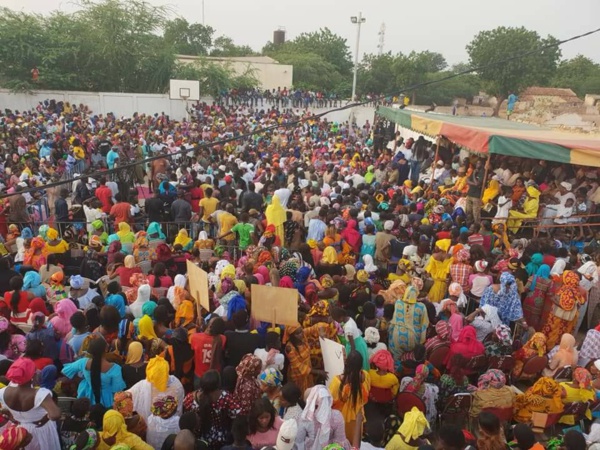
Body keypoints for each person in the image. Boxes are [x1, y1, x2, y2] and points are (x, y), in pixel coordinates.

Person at [0, 357, 62, 450]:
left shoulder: (3, 392)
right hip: (41, 431)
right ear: (32, 375)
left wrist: (12, 416)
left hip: (21, 433)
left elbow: (4, 410)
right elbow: (55, 415)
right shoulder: (40, 394)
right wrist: (46, 417)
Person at [62, 336, 126, 407]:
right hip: (108, 401)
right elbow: (117, 390)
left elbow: (65, 370)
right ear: (106, 349)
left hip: (87, 398)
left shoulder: (83, 363)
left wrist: (81, 380)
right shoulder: (115, 368)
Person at [329, 351, 371, 438]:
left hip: (341, 420)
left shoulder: (337, 382)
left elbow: (330, 401)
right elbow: (366, 395)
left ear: (346, 363)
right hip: (358, 418)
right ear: (361, 365)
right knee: (354, 442)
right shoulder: (365, 376)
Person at [541, 271, 586, 349]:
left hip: (560, 318)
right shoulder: (575, 290)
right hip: (568, 319)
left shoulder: (567, 290)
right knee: (562, 335)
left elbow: (566, 305)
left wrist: (553, 299)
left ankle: (549, 349)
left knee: (553, 334)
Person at [388, 284, 429, 366]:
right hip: (413, 338)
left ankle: (396, 370)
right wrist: (421, 341)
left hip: (398, 336)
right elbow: (424, 325)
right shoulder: (421, 307)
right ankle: (410, 370)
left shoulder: (398, 303)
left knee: (396, 356)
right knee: (412, 357)